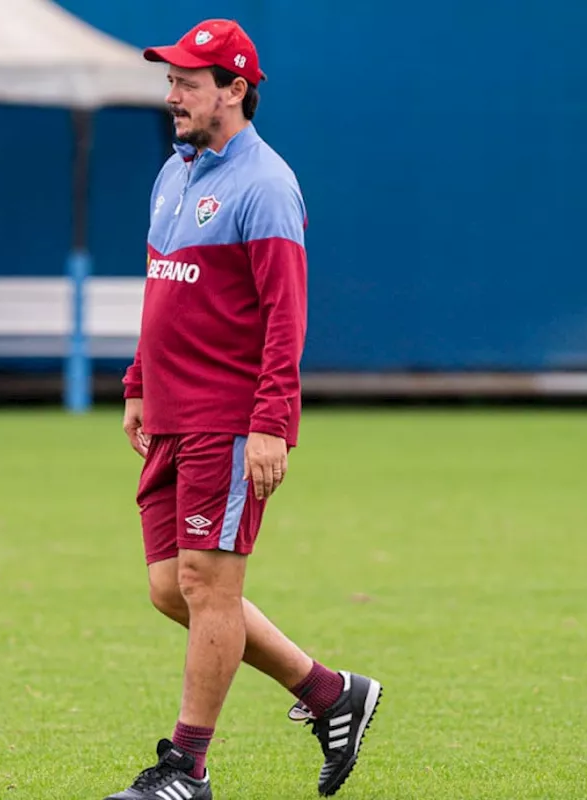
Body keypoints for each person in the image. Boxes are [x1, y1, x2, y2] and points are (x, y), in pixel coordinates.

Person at [105, 18, 383, 800]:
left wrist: (271, 424)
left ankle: (186, 770)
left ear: (236, 89)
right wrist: (136, 381)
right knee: (171, 588)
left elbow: (286, 320)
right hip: (171, 411)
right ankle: (331, 693)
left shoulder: (265, 184)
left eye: (189, 82)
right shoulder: (175, 173)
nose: (173, 95)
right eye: (171, 81)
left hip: (228, 417)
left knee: (207, 583)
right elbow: (162, 288)